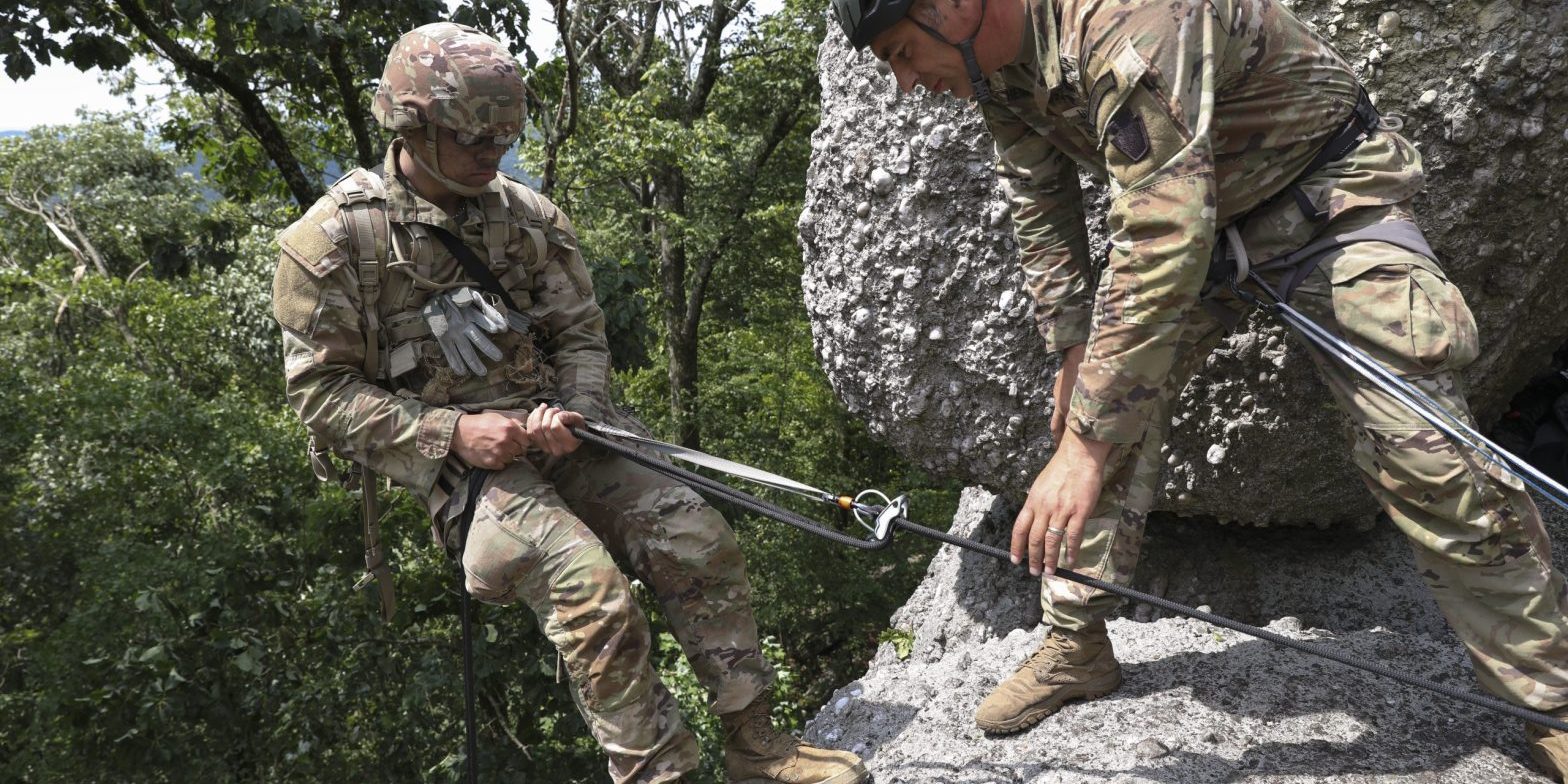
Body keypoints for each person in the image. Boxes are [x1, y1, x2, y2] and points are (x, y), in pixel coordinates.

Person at [832, 0, 1568, 775]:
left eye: (903, 52)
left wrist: (1087, 442)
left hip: (1323, 205)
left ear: (951, 6)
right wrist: (1076, 347)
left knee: (1428, 457)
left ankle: (1549, 700)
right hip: (1200, 231)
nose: (908, 82)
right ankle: (1075, 643)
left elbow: (1160, 235)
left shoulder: (1127, 18)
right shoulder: (995, 68)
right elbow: (1038, 199)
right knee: (1098, 406)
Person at [271, 22, 868, 784]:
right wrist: (452, 431)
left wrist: (576, 409)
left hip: (566, 433)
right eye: (476, 140)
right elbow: (320, 394)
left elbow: (580, 332)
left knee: (696, 537)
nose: (494, 155)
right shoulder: (330, 244)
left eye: (506, 138)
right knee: (593, 598)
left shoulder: (526, 217)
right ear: (412, 126)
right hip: (459, 471)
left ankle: (758, 747)